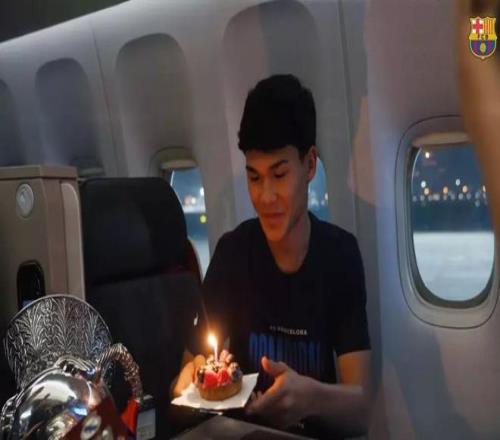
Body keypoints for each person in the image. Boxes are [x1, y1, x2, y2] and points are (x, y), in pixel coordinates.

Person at [174, 74, 371, 439]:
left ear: (309, 165)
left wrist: (311, 398)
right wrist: (190, 379)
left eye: (279, 175)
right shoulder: (233, 253)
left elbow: (362, 411)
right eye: (254, 177)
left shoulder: (339, 255)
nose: (265, 197)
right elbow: (187, 372)